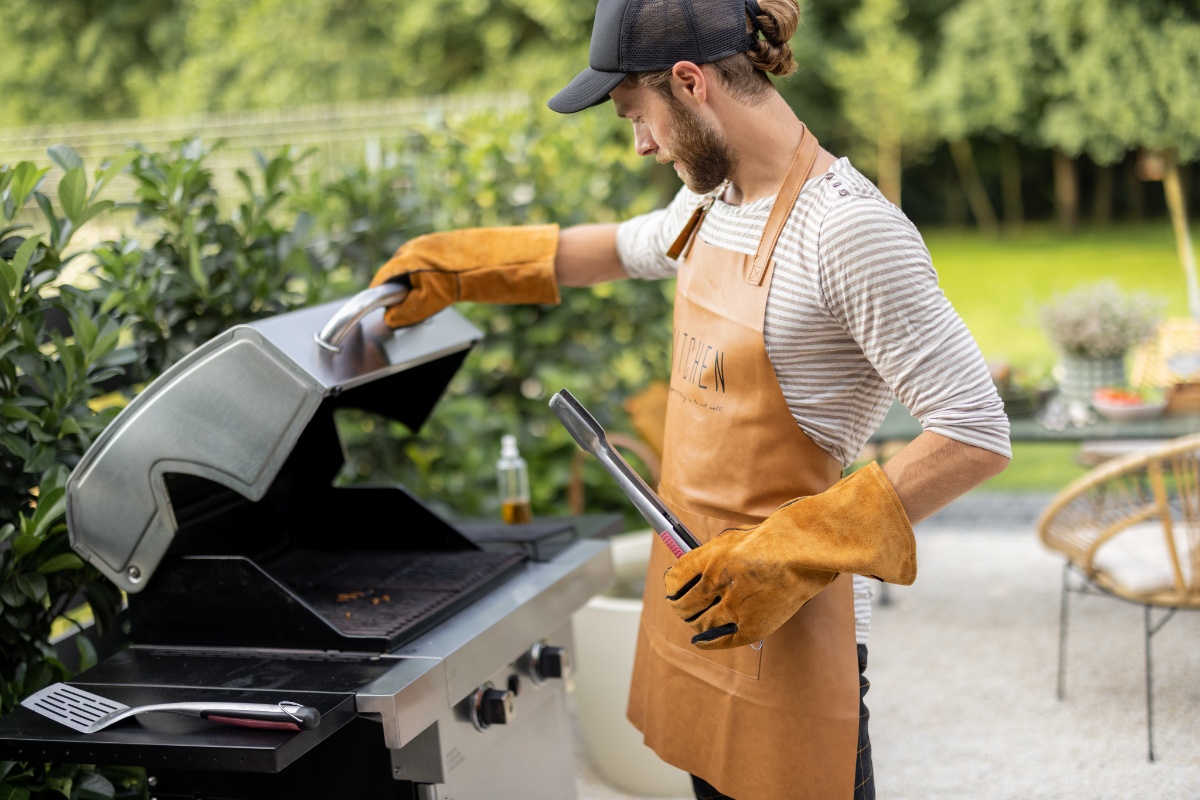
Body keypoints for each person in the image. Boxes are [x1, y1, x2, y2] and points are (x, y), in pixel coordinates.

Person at [370, 0, 1012, 796]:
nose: (640, 143)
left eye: (638, 115)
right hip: (703, 607)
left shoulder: (847, 232)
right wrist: (460, 268)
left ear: (690, 82)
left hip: (792, 632)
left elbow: (975, 429)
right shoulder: (715, 200)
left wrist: (787, 550)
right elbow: (622, 247)